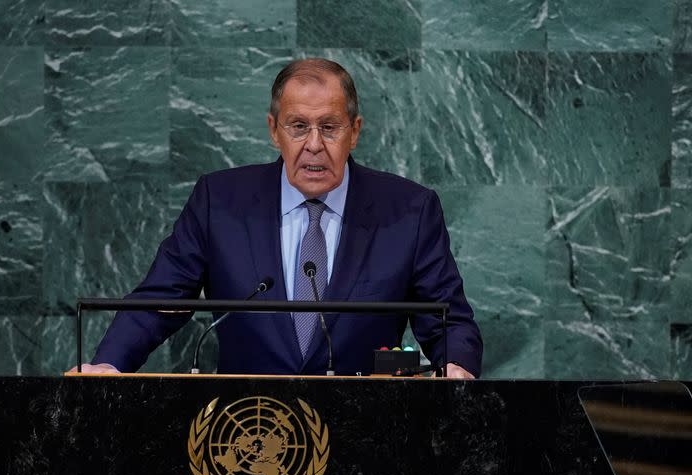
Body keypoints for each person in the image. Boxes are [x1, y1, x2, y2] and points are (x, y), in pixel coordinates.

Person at [77, 58, 482, 378]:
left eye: (329, 127)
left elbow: (449, 321)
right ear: (274, 130)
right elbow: (160, 299)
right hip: (245, 436)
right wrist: (110, 364)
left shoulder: (409, 210)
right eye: (298, 126)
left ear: (354, 132)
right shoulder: (220, 201)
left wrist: (456, 368)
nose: (314, 145)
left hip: (368, 437)